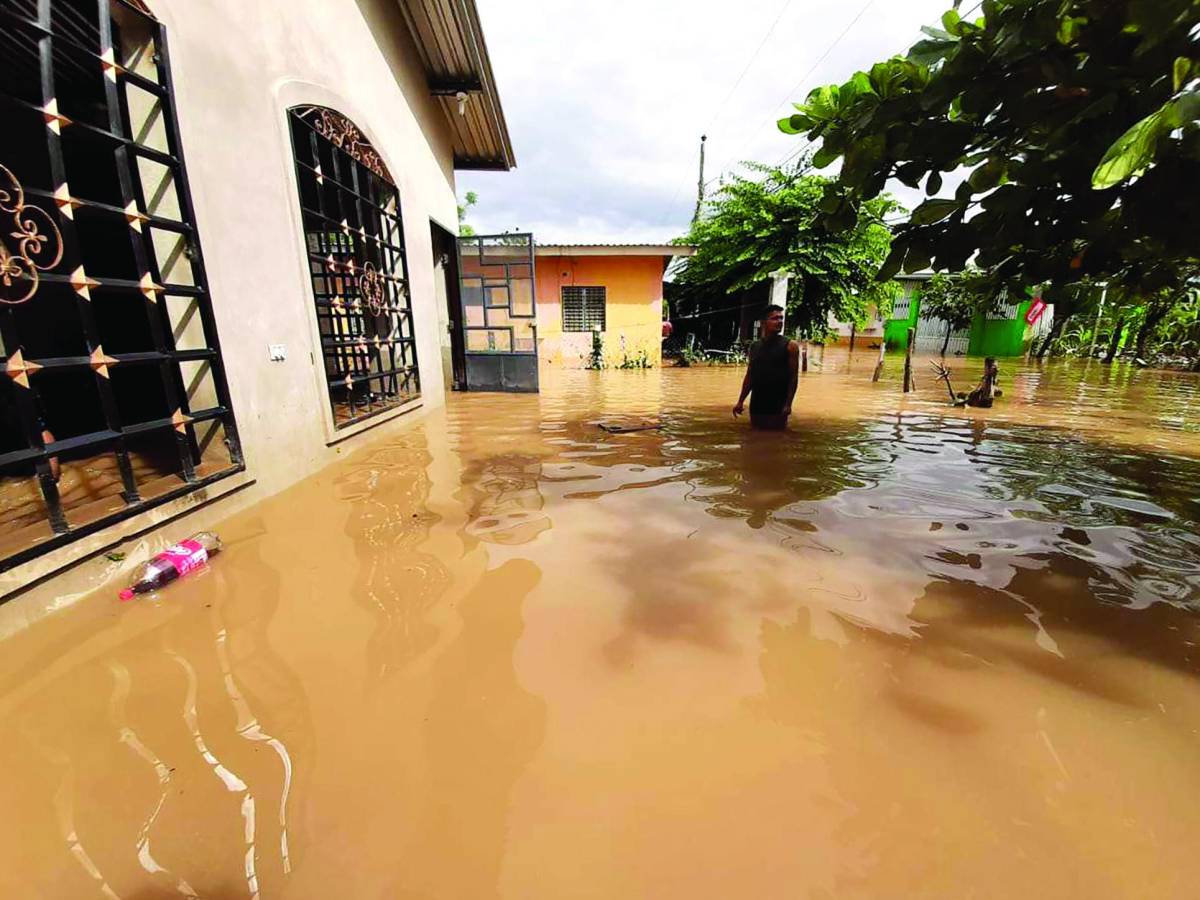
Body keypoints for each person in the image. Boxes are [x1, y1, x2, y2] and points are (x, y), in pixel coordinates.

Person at [732, 304, 800, 430]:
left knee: (776, 439)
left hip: (778, 402)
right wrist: (740, 401)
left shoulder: (790, 346)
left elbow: (793, 378)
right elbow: (750, 375)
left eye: (781, 318)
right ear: (763, 322)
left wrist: (788, 404)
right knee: (755, 437)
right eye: (774, 318)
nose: (779, 322)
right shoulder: (755, 346)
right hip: (757, 400)